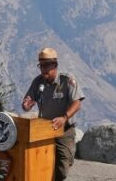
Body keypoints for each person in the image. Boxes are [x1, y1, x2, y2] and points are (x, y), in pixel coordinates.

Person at [21, 47, 84, 181]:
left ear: (55, 65)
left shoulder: (67, 80)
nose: (43, 69)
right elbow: (27, 102)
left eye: (46, 66)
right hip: (44, 130)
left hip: (63, 130)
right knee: (41, 164)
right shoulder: (38, 82)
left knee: (62, 168)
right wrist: (27, 105)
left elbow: (77, 103)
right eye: (41, 66)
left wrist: (64, 117)